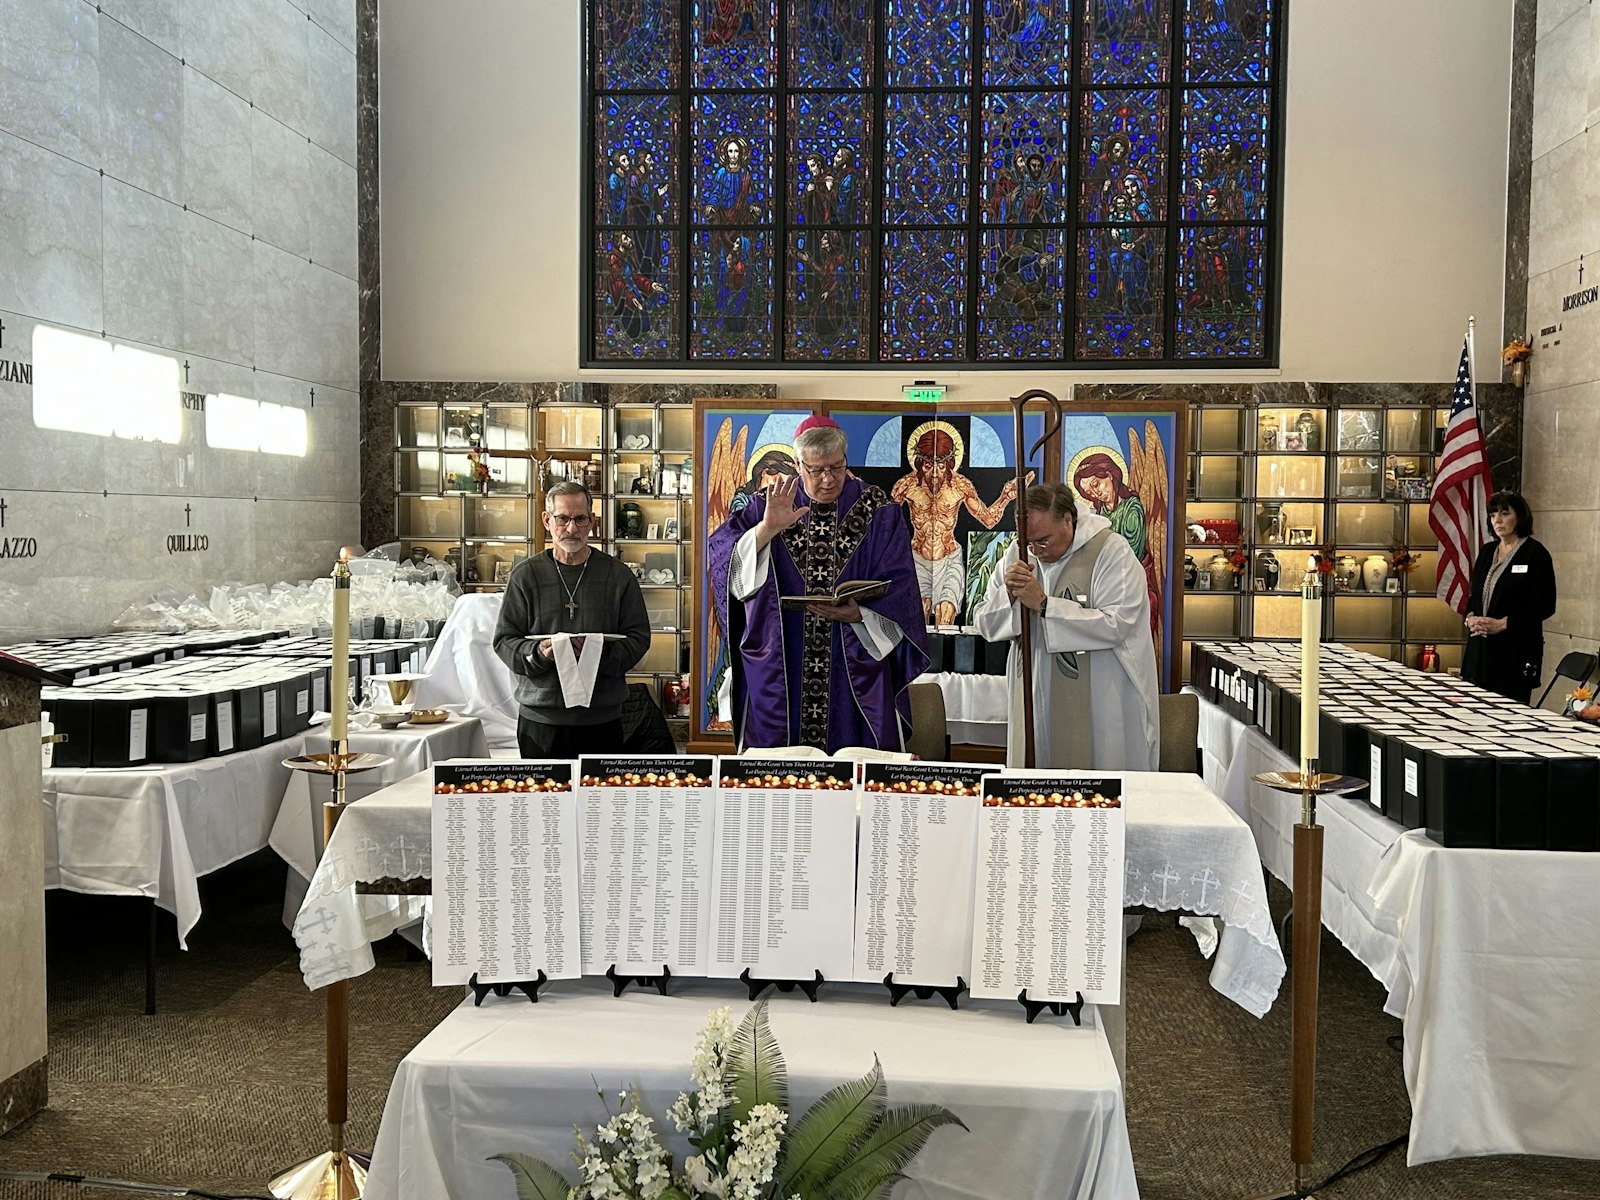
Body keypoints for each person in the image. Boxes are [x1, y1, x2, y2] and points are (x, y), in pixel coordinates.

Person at [707, 414, 928, 752]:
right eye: (816, 469)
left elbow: (902, 589)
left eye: (836, 467)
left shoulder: (879, 510)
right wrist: (767, 530)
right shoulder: (765, 505)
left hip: (855, 661)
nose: (828, 479)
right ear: (798, 464)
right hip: (782, 660)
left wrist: (862, 615)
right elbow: (722, 563)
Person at [972, 482, 1159, 769]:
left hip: (1099, 697)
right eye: (1028, 542)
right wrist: (1007, 596)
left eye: (1043, 540)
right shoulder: (1017, 553)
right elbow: (985, 623)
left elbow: (1118, 623)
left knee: (1097, 784)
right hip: (1032, 693)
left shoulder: (1111, 552)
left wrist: (1046, 606)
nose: (1035, 550)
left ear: (1068, 520)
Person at [493, 482, 651, 757]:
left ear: (592, 521)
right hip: (541, 717)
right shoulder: (525, 576)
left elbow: (639, 637)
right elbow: (505, 640)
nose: (571, 528)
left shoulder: (618, 576)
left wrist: (597, 653)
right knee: (544, 800)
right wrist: (538, 653)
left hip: (602, 717)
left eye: (580, 519)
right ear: (547, 520)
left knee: (599, 800)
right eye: (562, 518)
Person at [1462, 491, 1556, 705]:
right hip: (1479, 655)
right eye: (1493, 515)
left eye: (1505, 514)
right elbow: (1474, 597)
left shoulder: (1535, 553)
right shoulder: (1487, 552)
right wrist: (1470, 619)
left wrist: (1504, 623)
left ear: (1519, 516)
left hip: (1514, 653)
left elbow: (1545, 605)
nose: (1498, 520)